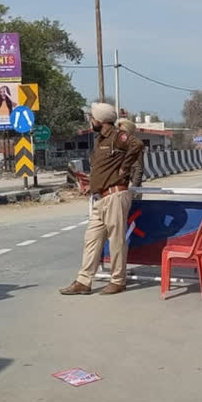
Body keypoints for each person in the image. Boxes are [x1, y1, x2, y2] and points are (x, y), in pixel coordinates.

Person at [60, 102, 143, 296]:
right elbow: (103, 169)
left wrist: (125, 167)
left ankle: (117, 280)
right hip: (101, 196)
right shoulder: (99, 140)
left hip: (115, 195)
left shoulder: (117, 136)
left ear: (101, 120)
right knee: (91, 238)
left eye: (92, 117)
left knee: (116, 241)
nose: (90, 120)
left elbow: (137, 144)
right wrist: (91, 185)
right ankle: (83, 281)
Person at [117, 118, 145, 199]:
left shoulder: (135, 146)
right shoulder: (117, 145)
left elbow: (138, 169)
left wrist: (133, 189)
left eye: (121, 131)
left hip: (131, 188)